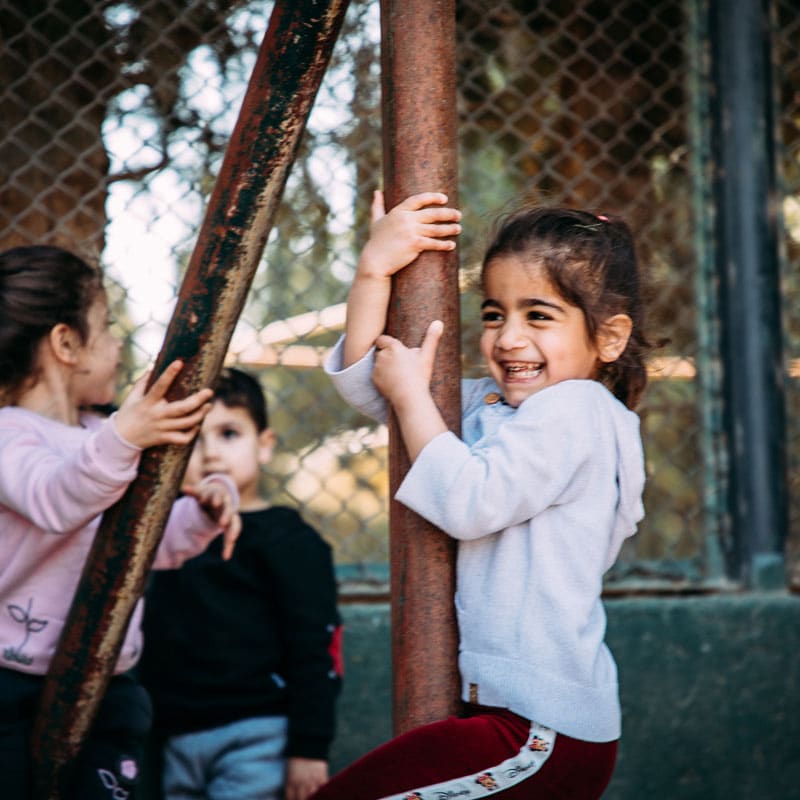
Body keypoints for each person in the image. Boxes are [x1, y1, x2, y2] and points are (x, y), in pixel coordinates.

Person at [313, 191, 651, 800]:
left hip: (536, 731)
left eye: (539, 316)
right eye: (494, 314)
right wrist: (373, 270)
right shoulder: (502, 408)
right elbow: (373, 383)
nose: (508, 338)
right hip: (510, 721)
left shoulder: (576, 410)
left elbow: (472, 502)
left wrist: (416, 398)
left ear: (610, 337)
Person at [0, 245, 241, 800]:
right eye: (105, 328)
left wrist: (200, 513)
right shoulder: (14, 436)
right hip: (10, 685)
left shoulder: (101, 438)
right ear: (66, 344)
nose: (118, 345)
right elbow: (57, 499)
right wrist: (124, 439)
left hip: (108, 682)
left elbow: (140, 543)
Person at [141, 367, 343, 800]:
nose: (211, 454)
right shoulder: (161, 536)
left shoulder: (289, 540)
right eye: (194, 438)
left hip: (258, 735)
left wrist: (309, 748)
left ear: (264, 445)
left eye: (229, 433)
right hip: (175, 738)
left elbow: (315, 649)